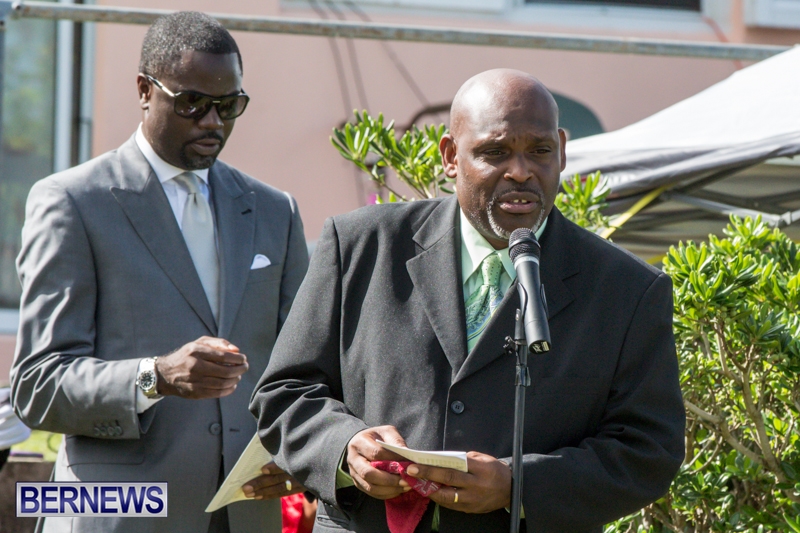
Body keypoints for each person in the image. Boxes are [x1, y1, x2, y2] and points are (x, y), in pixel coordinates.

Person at [250, 69, 685, 532]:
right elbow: (284, 393)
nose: (521, 171)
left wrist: (518, 485)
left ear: (561, 150)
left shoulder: (628, 288)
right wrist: (345, 448)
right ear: (451, 156)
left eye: (539, 151)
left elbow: (648, 448)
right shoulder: (359, 245)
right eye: (495, 152)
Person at [11, 12, 309, 533]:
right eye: (193, 103)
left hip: (244, 512)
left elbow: (304, 368)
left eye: (228, 106)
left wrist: (300, 453)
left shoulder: (273, 211)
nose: (212, 122)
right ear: (145, 91)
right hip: (117, 513)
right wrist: (156, 377)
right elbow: (37, 386)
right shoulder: (72, 202)